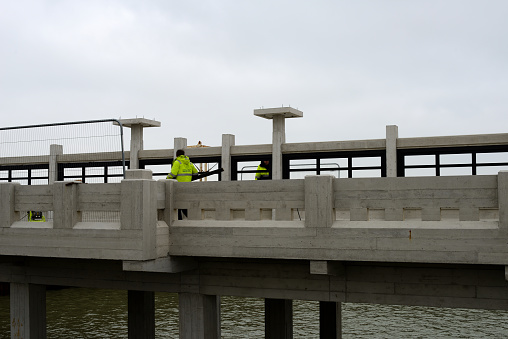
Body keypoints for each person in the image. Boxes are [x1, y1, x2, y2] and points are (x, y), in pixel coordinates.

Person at [167, 149, 198, 219]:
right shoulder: (189, 163)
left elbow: (173, 174)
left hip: (178, 187)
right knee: (184, 205)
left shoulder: (177, 162)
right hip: (188, 187)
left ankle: (180, 220)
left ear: (176, 155)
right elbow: (196, 173)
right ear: (184, 154)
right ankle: (192, 218)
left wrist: (167, 179)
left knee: (178, 205)